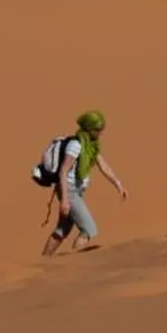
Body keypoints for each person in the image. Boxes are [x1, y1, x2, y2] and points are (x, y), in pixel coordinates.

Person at [41, 110, 127, 256]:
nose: (101, 132)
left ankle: (43, 261)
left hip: (76, 191)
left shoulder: (92, 146)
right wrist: (65, 200)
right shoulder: (76, 146)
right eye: (98, 129)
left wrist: (118, 184)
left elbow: (103, 166)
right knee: (88, 229)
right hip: (69, 191)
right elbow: (63, 172)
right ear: (89, 129)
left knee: (62, 230)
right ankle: (75, 261)